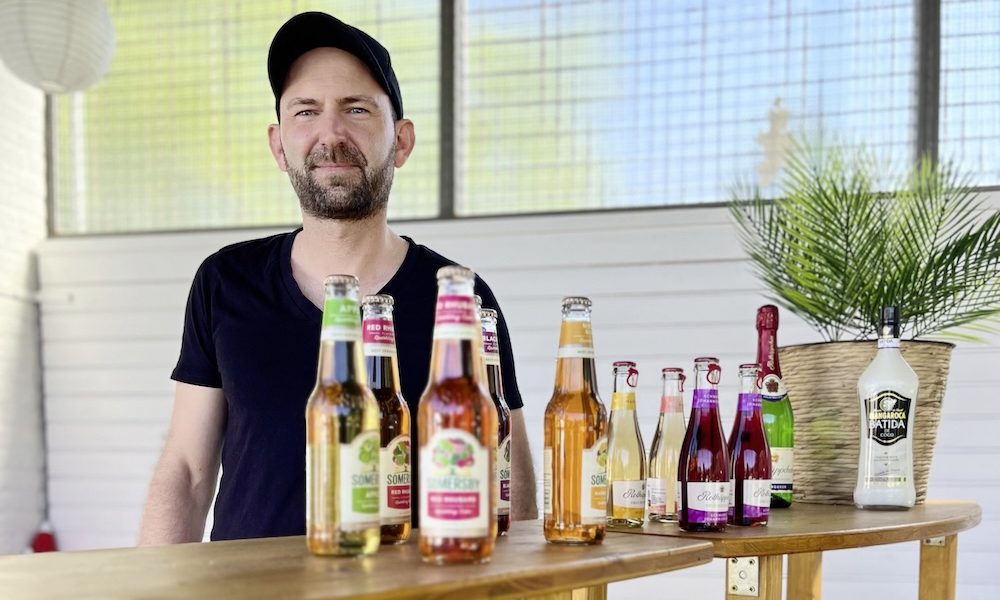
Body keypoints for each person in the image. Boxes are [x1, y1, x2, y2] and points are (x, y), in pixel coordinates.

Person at [138, 11, 537, 544]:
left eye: (356, 108)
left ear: (401, 140)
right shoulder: (224, 282)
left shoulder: (460, 299)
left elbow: (510, 478)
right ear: (279, 145)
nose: (331, 132)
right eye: (306, 111)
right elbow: (186, 473)